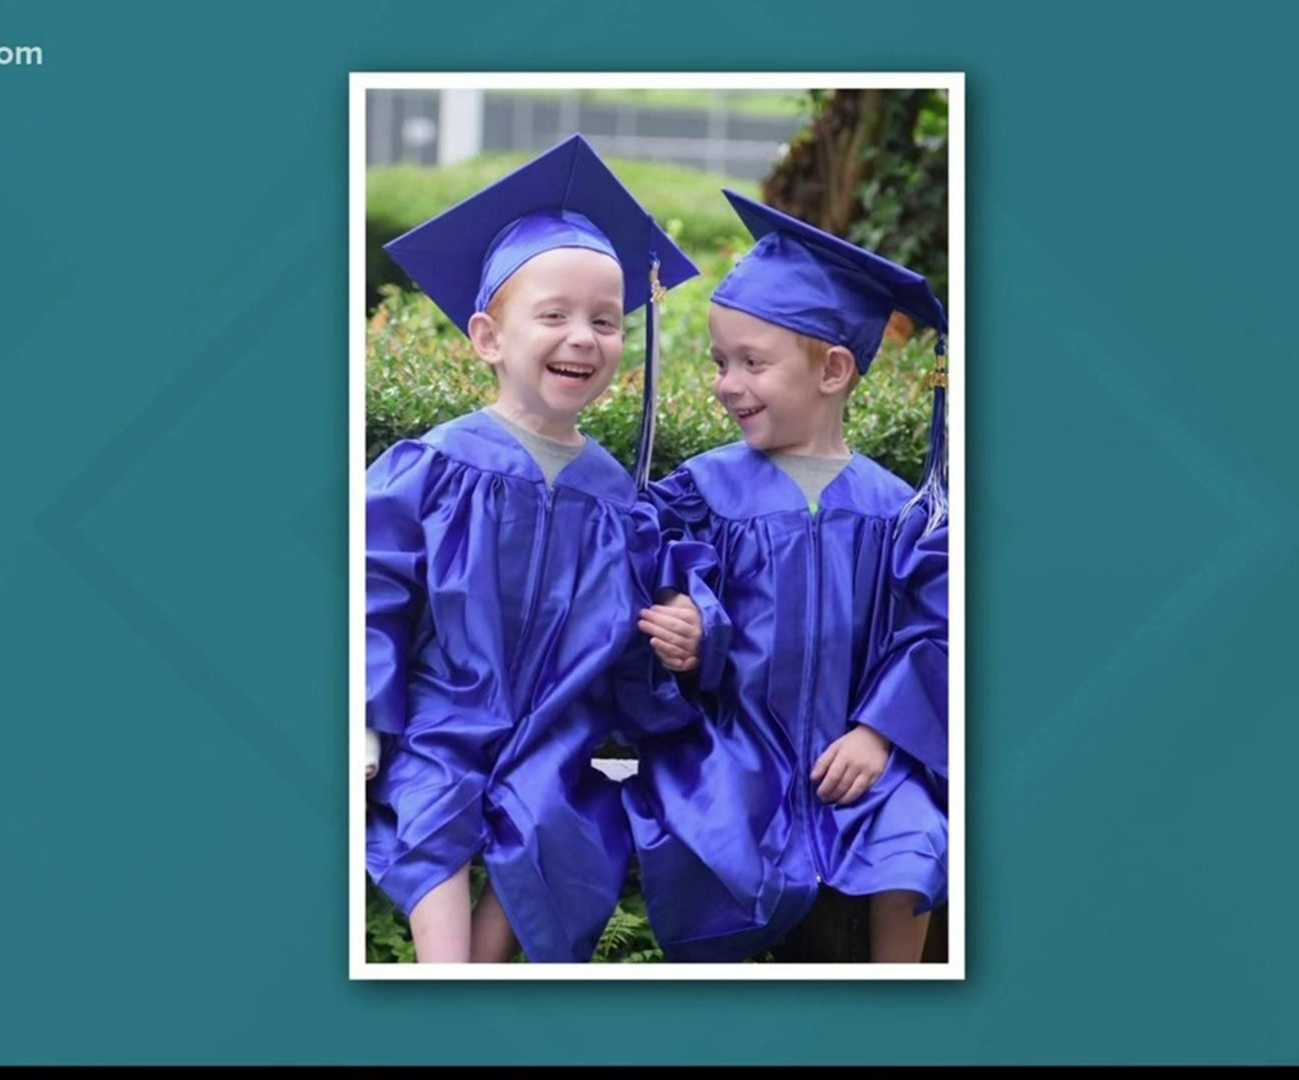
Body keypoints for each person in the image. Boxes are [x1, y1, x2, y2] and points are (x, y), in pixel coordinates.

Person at [363, 134, 710, 963]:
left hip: (561, 728)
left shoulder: (618, 498)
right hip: (445, 710)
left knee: (562, 821)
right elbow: (375, 594)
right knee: (432, 799)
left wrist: (685, 643)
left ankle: (475, 979)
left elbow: (637, 634)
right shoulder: (433, 466)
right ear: (488, 337)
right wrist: (367, 721)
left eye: (605, 320)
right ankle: (445, 973)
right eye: (552, 316)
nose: (583, 338)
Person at [622, 189, 951, 963]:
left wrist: (880, 733)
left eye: (751, 363)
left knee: (913, 836)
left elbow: (928, 630)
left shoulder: (893, 511)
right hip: (736, 746)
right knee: (712, 835)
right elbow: (666, 576)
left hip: (853, 751)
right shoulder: (704, 494)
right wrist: (691, 626)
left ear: (833, 370)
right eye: (718, 362)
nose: (725, 383)